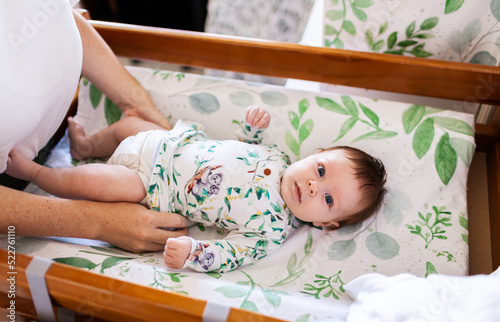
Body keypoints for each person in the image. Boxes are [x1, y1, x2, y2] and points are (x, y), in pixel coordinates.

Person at [6, 105, 387, 273]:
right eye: (320, 170)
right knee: (127, 126)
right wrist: (252, 129)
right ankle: (85, 147)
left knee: (88, 184)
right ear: (315, 154)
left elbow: (229, 254)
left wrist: (193, 253)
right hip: (169, 143)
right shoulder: (278, 155)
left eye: (328, 199)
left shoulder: (270, 231)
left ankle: (38, 173)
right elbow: (240, 146)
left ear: (328, 225)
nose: (311, 185)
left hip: (152, 186)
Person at [0, 1, 187, 253]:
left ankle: (84, 147)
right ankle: (36, 173)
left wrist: (135, 102)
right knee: (101, 184)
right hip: (11, 182)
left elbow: (54, 15)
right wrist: (99, 222)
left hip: (177, 155)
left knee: (131, 127)